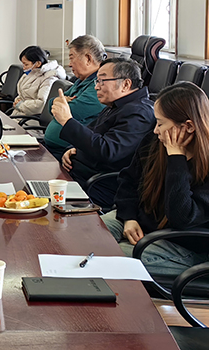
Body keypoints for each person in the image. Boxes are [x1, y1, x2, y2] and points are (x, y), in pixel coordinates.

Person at [101, 82, 209, 278]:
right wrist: (129, 217)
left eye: (160, 123)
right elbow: (129, 181)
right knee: (87, 237)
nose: (155, 130)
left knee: (107, 259)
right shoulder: (154, 143)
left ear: (189, 127)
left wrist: (176, 158)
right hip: (143, 224)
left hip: (184, 246)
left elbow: (182, 218)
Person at [51, 58, 155, 208]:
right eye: (97, 81)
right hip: (80, 175)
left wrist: (67, 121)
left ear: (126, 84)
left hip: (99, 185)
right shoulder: (115, 106)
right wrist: (72, 148)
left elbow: (108, 151)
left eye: (102, 81)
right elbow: (91, 134)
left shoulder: (139, 113)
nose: (96, 87)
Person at [44, 35, 106, 160]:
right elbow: (50, 105)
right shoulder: (81, 81)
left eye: (72, 58)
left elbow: (70, 111)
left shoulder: (100, 85)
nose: (69, 64)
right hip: (53, 149)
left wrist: (61, 104)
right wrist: (57, 101)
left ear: (88, 59)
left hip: (68, 153)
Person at [11, 46, 66, 117]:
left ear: (38, 64)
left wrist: (21, 105)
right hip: (20, 114)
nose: (24, 68)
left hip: (30, 118)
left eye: (26, 64)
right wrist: (17, 100)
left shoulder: (49, 79)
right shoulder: (30, 74)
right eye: (23, 64)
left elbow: (41, 104)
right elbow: (23, 94)